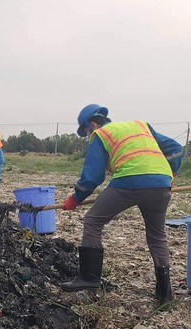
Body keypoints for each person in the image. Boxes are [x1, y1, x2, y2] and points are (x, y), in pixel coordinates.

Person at [60, 104, 183, 307]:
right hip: (161, 183)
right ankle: (164, 294)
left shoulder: (101, 135)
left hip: (129, 181)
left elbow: (93, 176)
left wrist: (75, 199)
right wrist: (171, 175)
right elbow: (176, 149)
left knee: (92, 221)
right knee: (157, 235)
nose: (88, 136)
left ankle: (89, 280)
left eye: (86, 132)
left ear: (92, 124)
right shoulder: (141, 125)